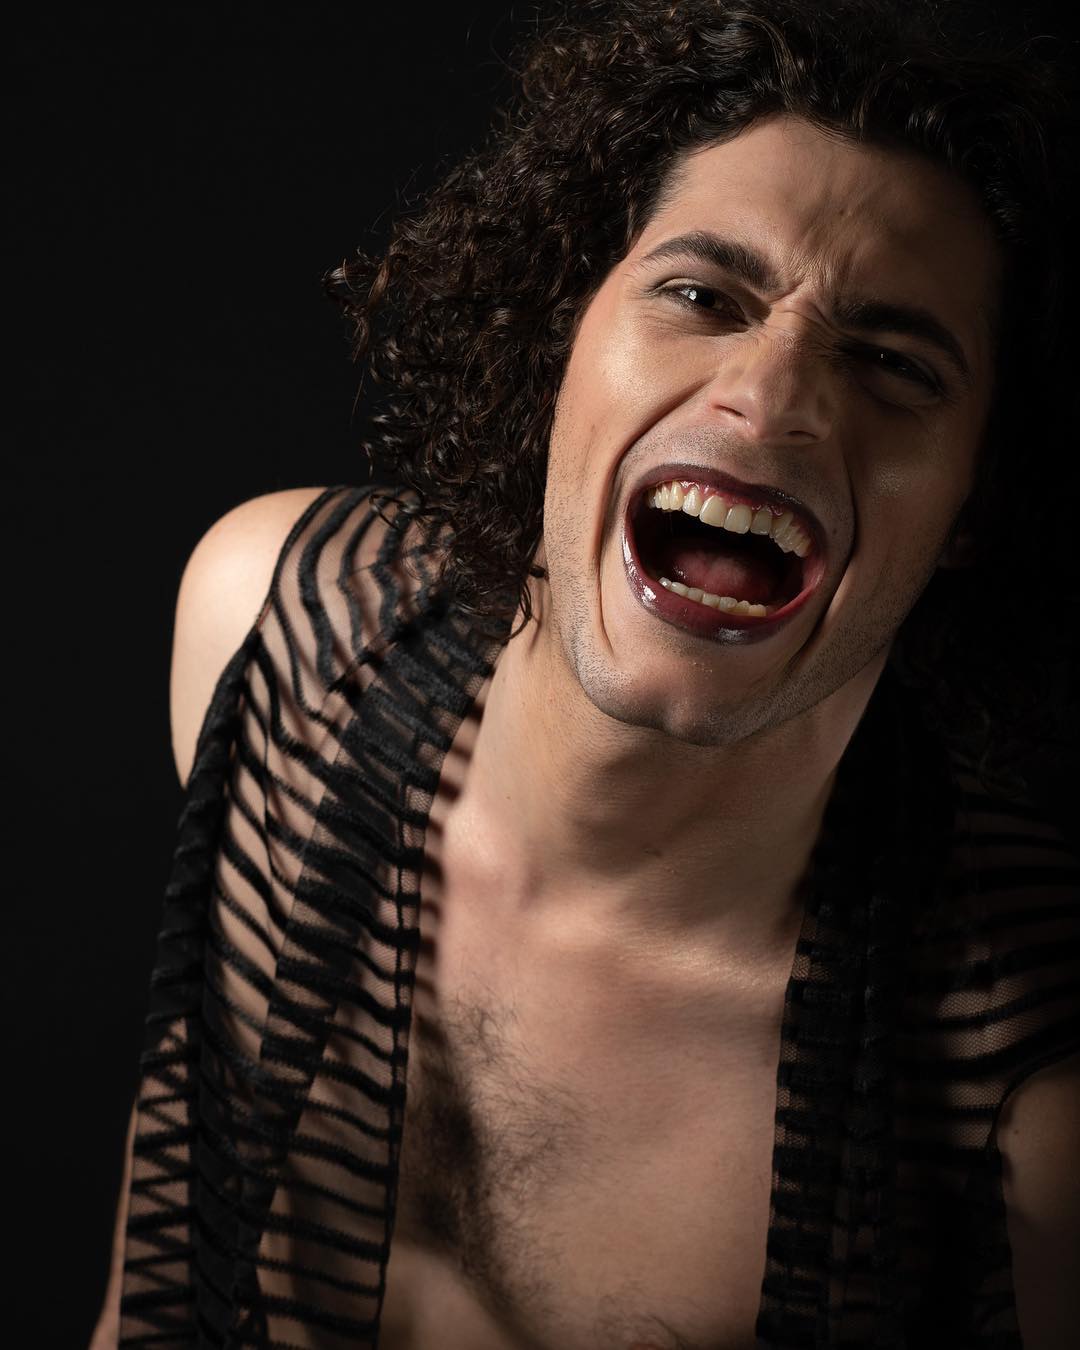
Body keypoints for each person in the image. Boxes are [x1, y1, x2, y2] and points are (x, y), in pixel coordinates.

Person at [92, 1, 1079, 1346]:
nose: (772, 395)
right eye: (704, 296)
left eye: (894, 364)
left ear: (977, 502)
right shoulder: (273, 630)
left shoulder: (1025, 1095)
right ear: (566, 332)